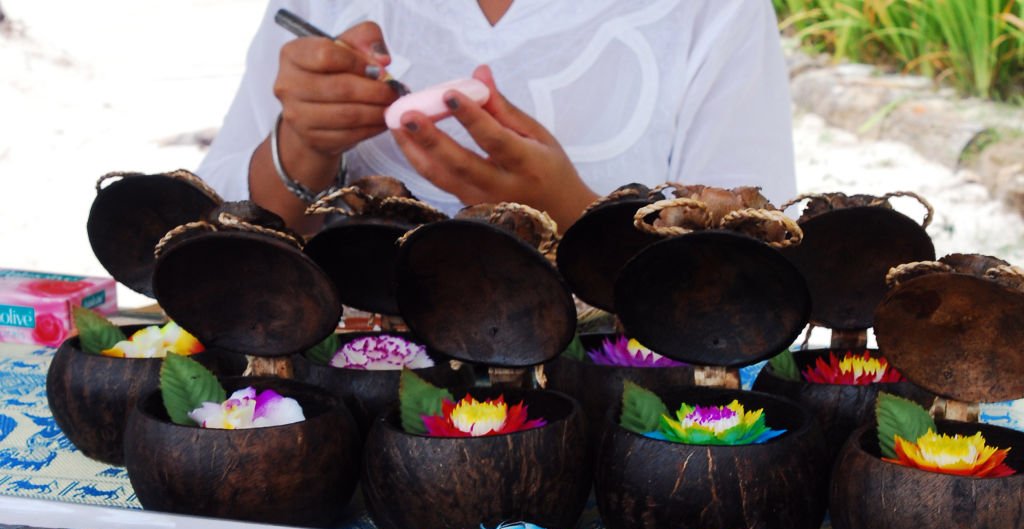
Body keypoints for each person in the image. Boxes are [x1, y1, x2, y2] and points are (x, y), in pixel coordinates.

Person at [198, 0, 797, 235]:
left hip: (610, 426)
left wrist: (570, 214)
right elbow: (214, 243)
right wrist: (303, 146)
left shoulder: (711, 11)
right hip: (337, 411)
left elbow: (755, 271)